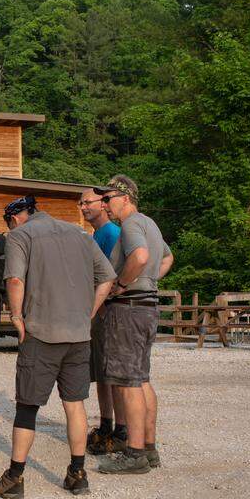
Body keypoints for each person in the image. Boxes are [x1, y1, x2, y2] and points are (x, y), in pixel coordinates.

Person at [0, 195, 115, 499]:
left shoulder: (20, 235)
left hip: (42, 333)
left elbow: (15, 279)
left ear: (16, 217)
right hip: (79, 333)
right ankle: (77, 474)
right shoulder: (80, 234)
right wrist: (90, 312)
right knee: (75, 404)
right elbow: (107, 277)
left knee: (27, 407)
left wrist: (16, 317)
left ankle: (15, 477)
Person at [95, 175, 173, 475]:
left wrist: (123, 284)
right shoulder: (149, 223)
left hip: (128, 309)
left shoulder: (129, 225)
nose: (105, 203)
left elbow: (140, 257)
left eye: (109, 198)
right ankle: (149, 449)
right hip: (147, 306)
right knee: (141, 379)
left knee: (128, 383)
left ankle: (135, 454)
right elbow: (166, 257)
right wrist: (149, 282)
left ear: (125, 198)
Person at [79, 188, 127, 455]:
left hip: (108, 311)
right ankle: (106, 424)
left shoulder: (111, 234)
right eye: (81, 203)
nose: (83, 207)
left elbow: (109, 276)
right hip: (98, 312)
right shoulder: (97, 235)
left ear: (103, 204)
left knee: (111, 372)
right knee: (101, 373)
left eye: (88, 202)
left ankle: (121, 430)